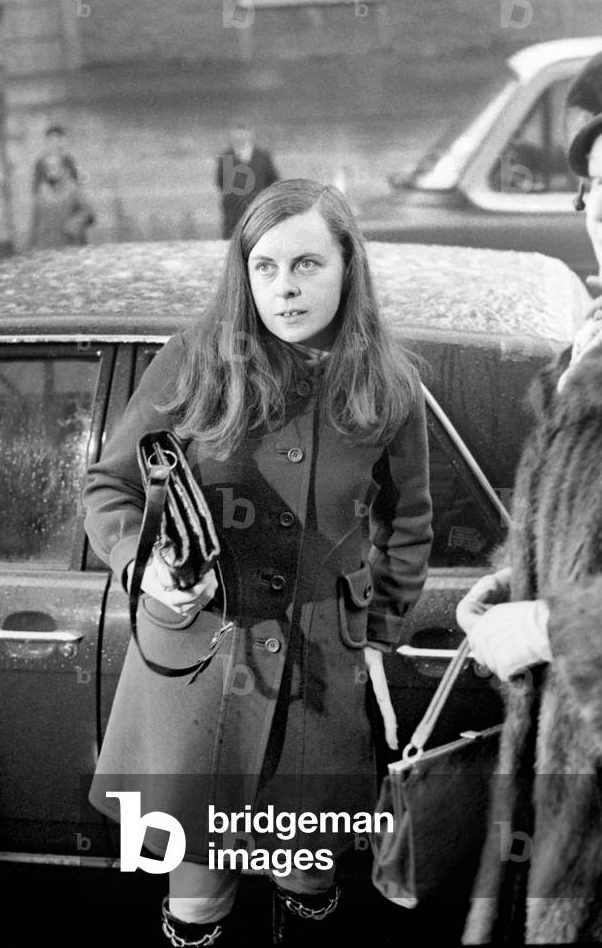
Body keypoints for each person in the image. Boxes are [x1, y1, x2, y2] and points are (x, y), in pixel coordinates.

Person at [82, 178, 433, 946]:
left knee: (308, 877)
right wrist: (143, 570)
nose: (284, 286)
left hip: (316, 673)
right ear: (242, 272)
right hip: (198, 664)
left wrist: (373, 630)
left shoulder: (388, 383)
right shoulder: (193, 362)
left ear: (347, 266)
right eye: (264, 266)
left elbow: (408, 522)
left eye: (306, 264)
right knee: (197, 896)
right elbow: (108, 486)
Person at [456, 52, 602, 945]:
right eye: (592, 183)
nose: (597, 208)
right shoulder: (589, 332)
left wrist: (550, 629)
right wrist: (512, 580)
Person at [215, 122, 280, 239]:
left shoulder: (263, 157)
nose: (239, 138)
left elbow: (273, 181)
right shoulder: (226, 157)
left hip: (257, 210)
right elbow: (220, 182)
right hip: (232, 213)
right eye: (236, 135)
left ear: (250, 135)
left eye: (242, 134)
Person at [29, 147, 94, 250]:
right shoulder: (42, 192)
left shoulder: (72, 189)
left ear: (63, 168)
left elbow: (88, 212)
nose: (51, 171)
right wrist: (33, 245)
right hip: (46, 246)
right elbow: (36, 222)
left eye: (54, 167)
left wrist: (75, 223)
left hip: (69, 245)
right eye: (47, 167)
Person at [32, 124, 79, 193]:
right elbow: (36, 187)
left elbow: (75, 183)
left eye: (57, 140)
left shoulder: (68, 161)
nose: (54, 144)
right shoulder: (40, 162)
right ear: (47, 142)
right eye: (51, 140)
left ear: (62, 142)